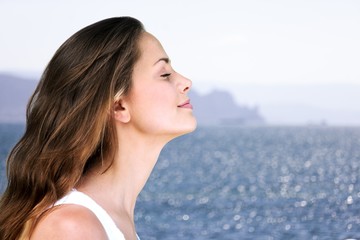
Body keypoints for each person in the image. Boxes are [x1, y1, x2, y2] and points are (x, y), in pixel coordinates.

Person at [0, 16, 196, 240]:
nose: (186, 81)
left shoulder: (105, 222)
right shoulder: (72, 227)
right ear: (118, 105)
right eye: (164, 74)